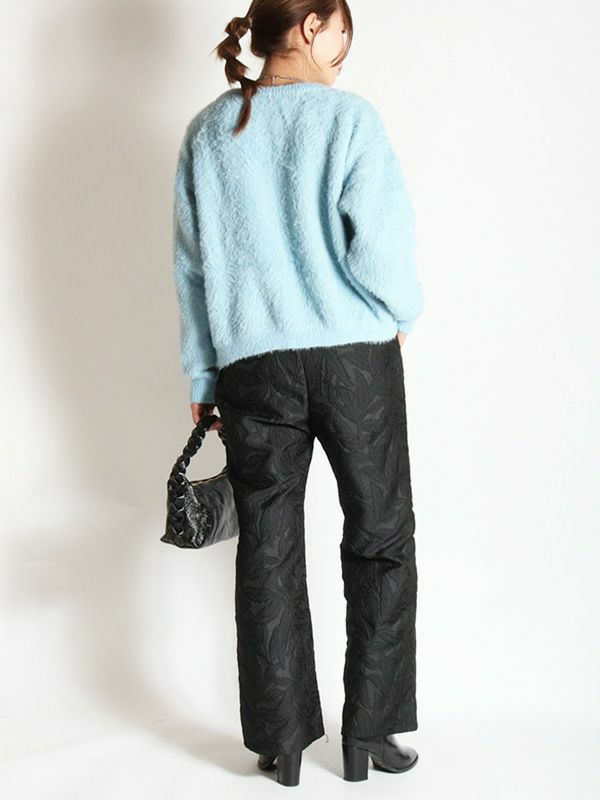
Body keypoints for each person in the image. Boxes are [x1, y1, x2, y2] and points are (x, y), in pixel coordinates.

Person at [171, 0, 424, 787]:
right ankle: (370, 734)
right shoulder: (348, 119)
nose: (345, 47)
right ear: (312, 26)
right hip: (354, 361)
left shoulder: (208, 133)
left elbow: (193, 270)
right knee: (381, 536)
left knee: (267, 546)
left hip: (254, 367)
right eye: (342, 29)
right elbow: (381, 247)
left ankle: (280, 745)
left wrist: (204, 377)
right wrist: (400, 316)